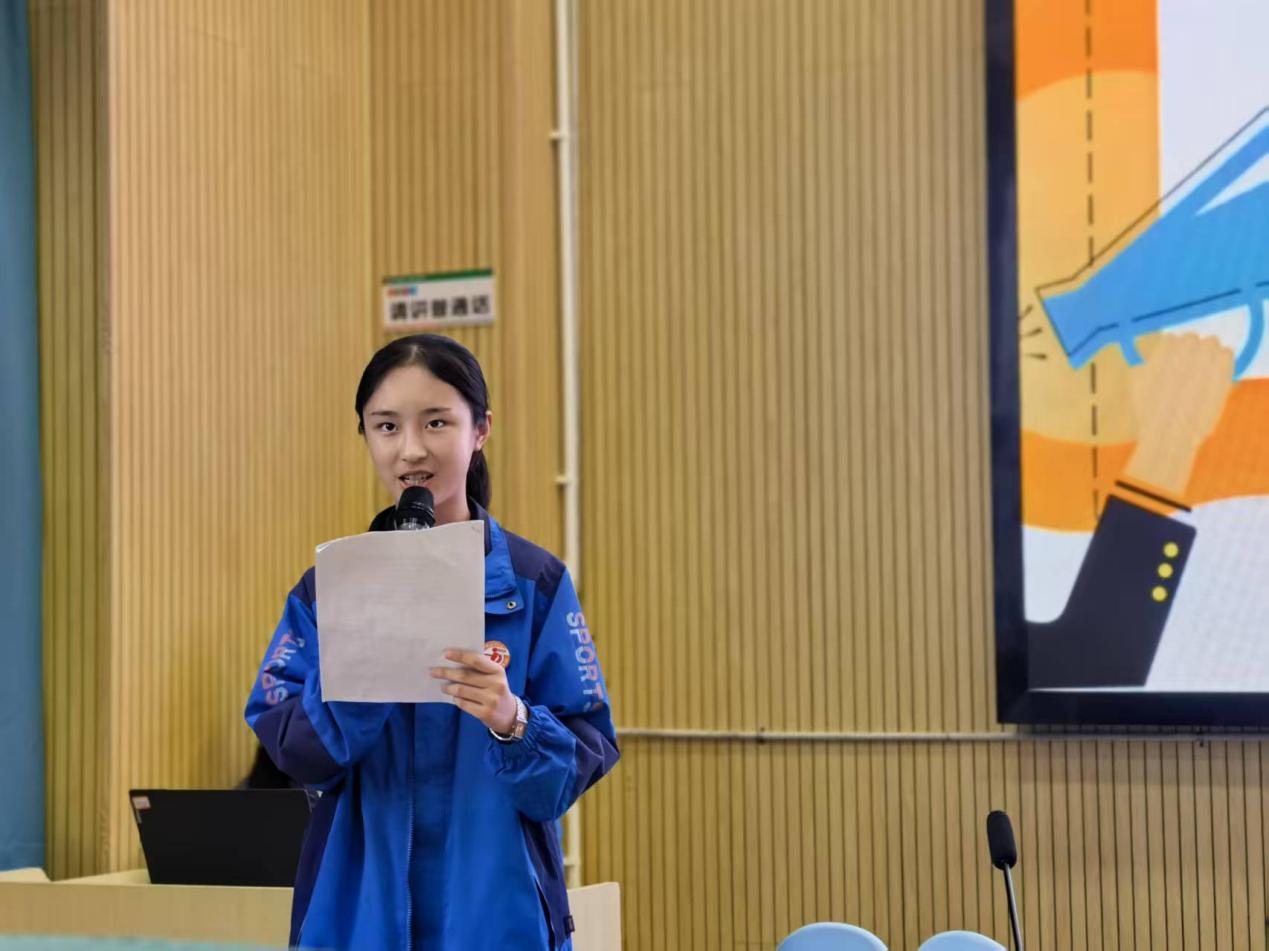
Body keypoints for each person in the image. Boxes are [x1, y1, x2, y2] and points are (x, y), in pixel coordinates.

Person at [244, 334, 619, 950]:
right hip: (356, 916)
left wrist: (513, 721)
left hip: (497, 917)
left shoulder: (537, 584)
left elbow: (572, 768)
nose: (411, 449)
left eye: (437, 422)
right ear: (365, 436)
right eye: (386, 426)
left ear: (481, 430)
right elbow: (288, 748)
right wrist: (356, 684)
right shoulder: (326, 589)